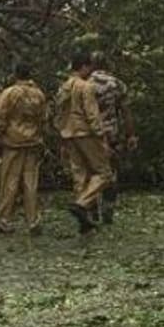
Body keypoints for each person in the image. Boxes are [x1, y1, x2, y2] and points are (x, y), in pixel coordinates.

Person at [54, 49, 111, 234]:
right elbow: (92, 113)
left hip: (68, 133)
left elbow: (58, 113)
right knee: (104, 173)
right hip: (85, 133)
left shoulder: (64, 86)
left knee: (80, 175)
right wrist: (100, 135)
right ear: (85, 66)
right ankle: (82, 204)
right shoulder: (85, 86)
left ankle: (84, 221)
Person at [0, 62, 48, 234]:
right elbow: (44, 118)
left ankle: (4, 220)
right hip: (33, 141)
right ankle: (33, 220)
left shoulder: (9, 93)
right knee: (31, 182)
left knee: (10, 181)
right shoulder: (39, 94)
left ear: (16, 74)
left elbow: (0, 116)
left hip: (13, 142)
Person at [89, 51, 138, 224]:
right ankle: (108, 210)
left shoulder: (84, 84)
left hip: (90, 135)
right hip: (112, 134)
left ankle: (92, 209)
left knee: (91, 172)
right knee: (112, 172)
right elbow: (126, 112)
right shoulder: (117, 84)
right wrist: (131, 134)